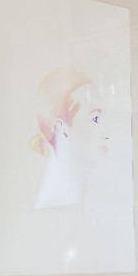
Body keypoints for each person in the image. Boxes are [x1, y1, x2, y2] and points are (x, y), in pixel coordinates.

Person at [30, 68, 110, 209]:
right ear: (60, 128)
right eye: (95, 118)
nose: (106, 132)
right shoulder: (49, 211)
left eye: (104, 117)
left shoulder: (97, 204)